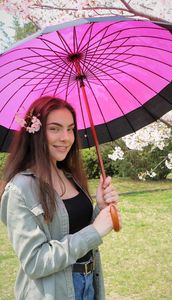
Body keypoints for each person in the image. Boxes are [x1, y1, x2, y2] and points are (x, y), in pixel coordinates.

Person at [0, 96, 121, 300]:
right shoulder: (20, 189)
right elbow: (35, 262)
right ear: (35, 134)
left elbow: (74, 231)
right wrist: (95, 231)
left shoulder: (69, 176)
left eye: (70, 128)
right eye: (54, 128)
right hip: (54, 292)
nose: (66, 137)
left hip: (88, 283)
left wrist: (100, 208)